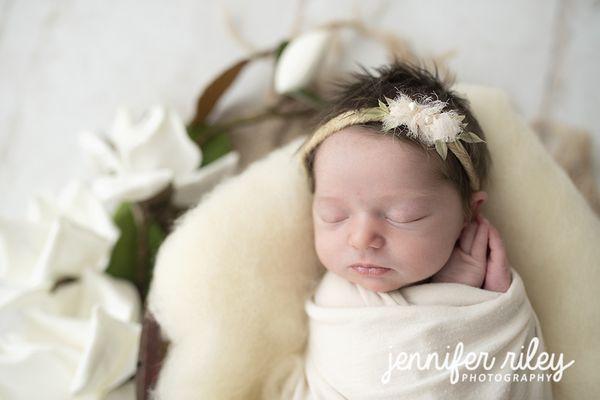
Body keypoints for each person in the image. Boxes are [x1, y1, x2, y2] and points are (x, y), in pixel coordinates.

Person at [266, 60, 553, 399]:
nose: (360, 239)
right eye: (334, 214)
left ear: (468, 214)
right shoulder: (336, 301)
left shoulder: (490, 302)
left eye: (404, 216)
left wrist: (469, 306)